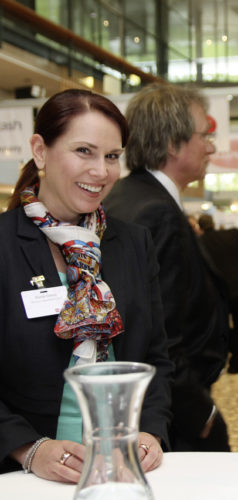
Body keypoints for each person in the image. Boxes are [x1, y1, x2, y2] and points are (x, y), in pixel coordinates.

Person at [0, 89, 174, 481]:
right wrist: (29, 449)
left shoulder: (132, 243)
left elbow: (157, 358)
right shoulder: (5, 247)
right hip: (28, 477)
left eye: (112, 156)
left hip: (122, 470)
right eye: (84, 151)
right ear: (40, 151)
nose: (101, 171)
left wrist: (150, 431)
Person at [104, 82, 231, 452]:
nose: (211, 147)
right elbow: (159, 330)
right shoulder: (155, 212)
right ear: (172, 143)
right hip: (171, 411)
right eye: (204, 135)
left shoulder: (126, 197)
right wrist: (199, 411)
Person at [198, 214, 238, 373]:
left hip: (221, 290)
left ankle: (237, 353)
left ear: (200, 228)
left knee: (221, 327)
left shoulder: (201, 242)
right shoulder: (232, 234)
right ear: (214, 222)